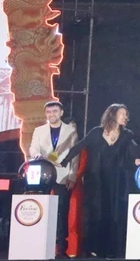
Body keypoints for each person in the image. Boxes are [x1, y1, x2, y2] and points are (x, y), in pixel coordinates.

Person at [60, 104, 139, 259]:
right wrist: (62, 162)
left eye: (126, 114)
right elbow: (78, 147)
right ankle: (95, 248)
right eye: (122, 114)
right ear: (112, 115)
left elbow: (133, 151)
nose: (125, 117)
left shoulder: (127, 134)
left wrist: (138, 160)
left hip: (116, 181)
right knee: (97, 214)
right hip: (96, 181)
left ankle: (114, 250)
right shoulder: (97, 132)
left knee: (115, 214)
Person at [29, 100, 79, 257]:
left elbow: (75, 156)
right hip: (43, 175)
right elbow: (33, 148)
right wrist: (35, 154)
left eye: (55, 111)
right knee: (42, 209)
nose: (52, 114)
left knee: (62, 211)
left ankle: (61, 248)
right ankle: (39, 244)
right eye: (49, 112)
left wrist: (72, 175)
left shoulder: (70, 131)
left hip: (63, 174)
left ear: (61, 113)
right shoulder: (39, 130)